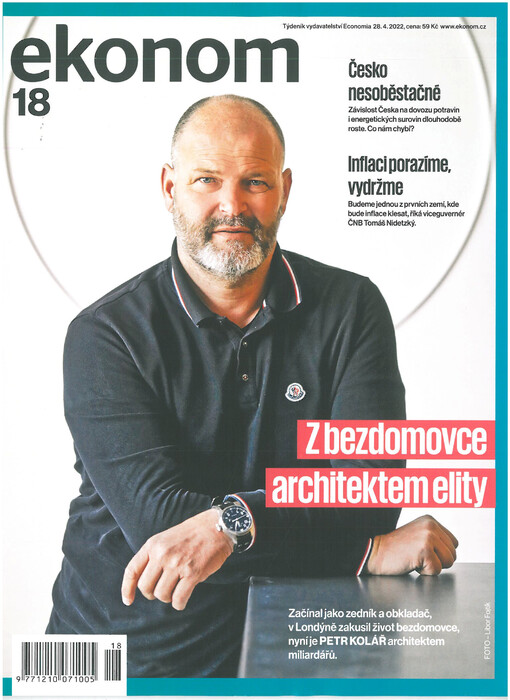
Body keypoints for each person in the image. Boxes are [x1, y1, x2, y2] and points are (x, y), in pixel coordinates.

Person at [47, 94, 458, 678]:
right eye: (206, 180)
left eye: (255, 182)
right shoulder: (104, 334)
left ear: (284, 190)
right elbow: (160, 522)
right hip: (113, 659)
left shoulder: (351, 308)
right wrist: (363, 553)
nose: (232, 205)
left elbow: (367, 493)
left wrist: (227, 523)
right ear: (169, 187)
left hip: (292, 648)